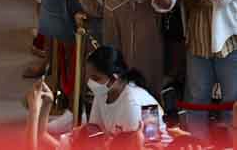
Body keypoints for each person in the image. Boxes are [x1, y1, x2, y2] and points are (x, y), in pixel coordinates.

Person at [144, 0, 237, 141]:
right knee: (196, 97)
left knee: (231, 101)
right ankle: (197, 143)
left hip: (227, 42)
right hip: (196, 38)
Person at [26, 45, 168, 150]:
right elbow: (44, 137)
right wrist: (46, 106)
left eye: (95, 78)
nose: (90, 83)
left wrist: (34, 112)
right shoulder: (103, 93)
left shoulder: (135, 105)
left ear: (114, 78)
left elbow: (150, 143)